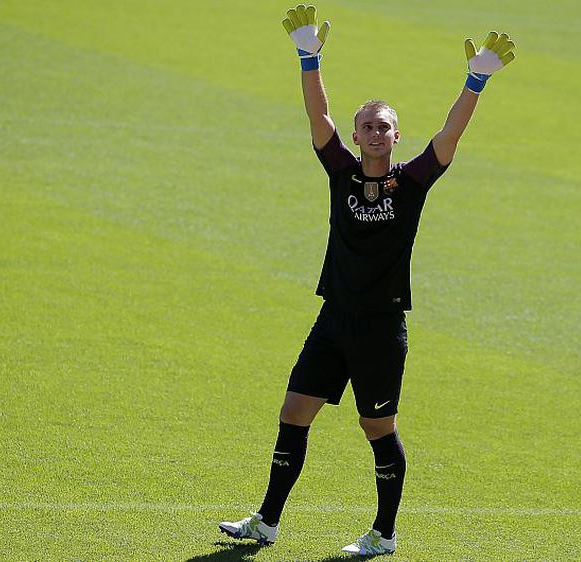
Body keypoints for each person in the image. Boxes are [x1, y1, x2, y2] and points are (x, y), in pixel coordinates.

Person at [219, 4, 516, 556]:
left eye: (384, 127)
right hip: (333, 319)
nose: (375, 133)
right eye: (367, 126)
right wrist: (309, 58)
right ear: (356, 136)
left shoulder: (412, 183)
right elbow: (317, 120)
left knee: (376, 429)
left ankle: (383, 534)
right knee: (293, 412)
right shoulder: (341, 173)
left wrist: (476, 81)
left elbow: (448, 138)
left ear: (396, 136)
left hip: (381, 328)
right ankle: (266, 522)